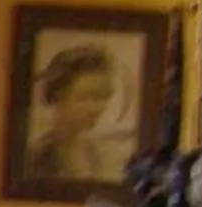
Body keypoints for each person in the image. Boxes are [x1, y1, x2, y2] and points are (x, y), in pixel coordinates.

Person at [24, 44, 128, 194]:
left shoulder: (101, 153)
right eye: (86, 97)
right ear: (59, 96)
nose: (97, 108)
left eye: (104, 96)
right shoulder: (38, 158)